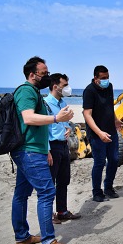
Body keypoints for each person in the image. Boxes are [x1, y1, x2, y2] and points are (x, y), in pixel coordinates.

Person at [12, 56, 75, 244]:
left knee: (21, 194)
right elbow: (28, 118)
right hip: (30, 151)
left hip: (31, 149)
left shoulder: (33, 92)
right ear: (32, 75)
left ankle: (22, 237)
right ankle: (49, 243)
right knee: (47, 192)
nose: (47, 75)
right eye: (44, 73)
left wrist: (60, 126)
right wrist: (57, 118)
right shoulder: (26, 91)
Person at [45, 73, 81, 224]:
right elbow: (43, 128)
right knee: (50, 182)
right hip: (52, 146)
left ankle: (62, 211)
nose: (67, 88)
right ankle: (50, 214)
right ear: (55, 86)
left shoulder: (62, 102)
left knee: (63, 180)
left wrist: (68, 128)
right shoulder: (45, 103)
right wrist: (46, 150)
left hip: (63, 144)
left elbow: (63, 122)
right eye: (64, 85)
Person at [83, 65, 123, 202]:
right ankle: (97, 192)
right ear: (96, 78)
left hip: (111, 131)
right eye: (103, 78)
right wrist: (99, 133)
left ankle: (108, 187)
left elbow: (109, 107)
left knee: (114, 159)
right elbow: (87, 115)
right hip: (96, 134)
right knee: (99, 162)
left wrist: (116, 120)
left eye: (108, 77)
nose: (106, 80)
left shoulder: (109, 87)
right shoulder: (89, 91)